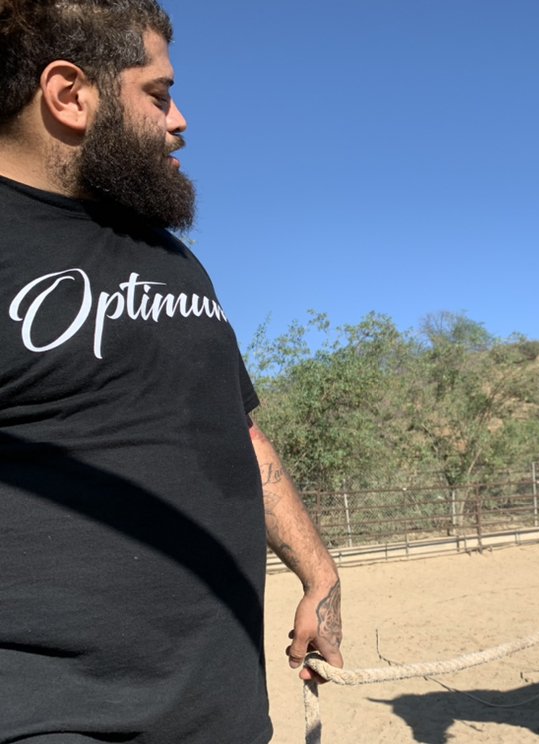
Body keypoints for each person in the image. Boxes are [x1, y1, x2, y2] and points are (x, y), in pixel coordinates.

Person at [0, 1, 342, 741]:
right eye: (157, 94)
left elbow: (236, 436)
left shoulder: (172, 258)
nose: (180, 120)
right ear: (69, 95)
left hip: (225, 715)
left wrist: (319, 575)